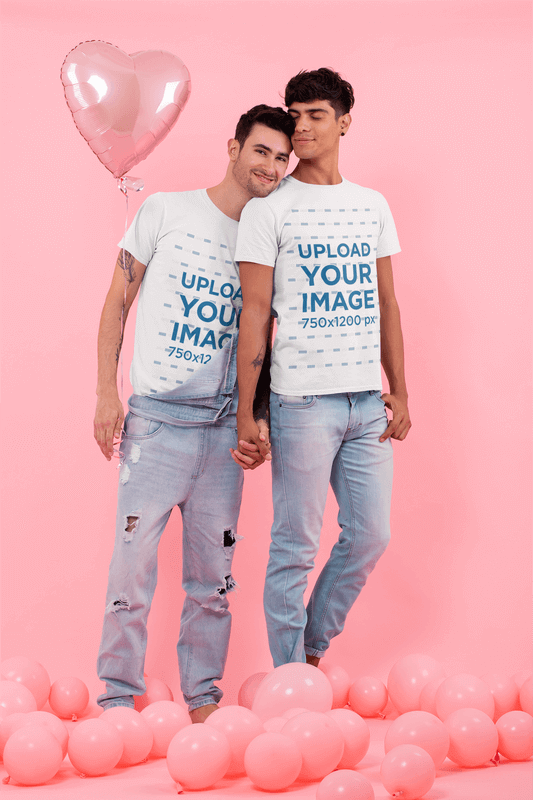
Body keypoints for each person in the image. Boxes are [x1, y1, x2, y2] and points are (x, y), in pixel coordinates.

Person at [94, 105, 294, 722]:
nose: (270, 165)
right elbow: (116, 304)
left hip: (221, 435)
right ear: (233, 148)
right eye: (260, 150)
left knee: (213, 582)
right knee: (131, 572)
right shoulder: (166, 211)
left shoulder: (269, 239)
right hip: (155, 426)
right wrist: (106, 391)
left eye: (282, 157)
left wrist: (255, 420)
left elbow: (263, 339)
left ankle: (203, 696)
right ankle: (117, 697)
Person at [234, 69, 411, 668]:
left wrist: (401, 390)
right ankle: (291, 677)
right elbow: (255, 316)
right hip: (301, 402)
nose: (302, 126)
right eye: (295, 114)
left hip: (366, 402)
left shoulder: (371, 205)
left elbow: (385, 301)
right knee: (295, 546)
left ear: (343, 121)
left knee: (370, 535)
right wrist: (247, 412)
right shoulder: (269, 209)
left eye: (314, 114)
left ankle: (308, 653)